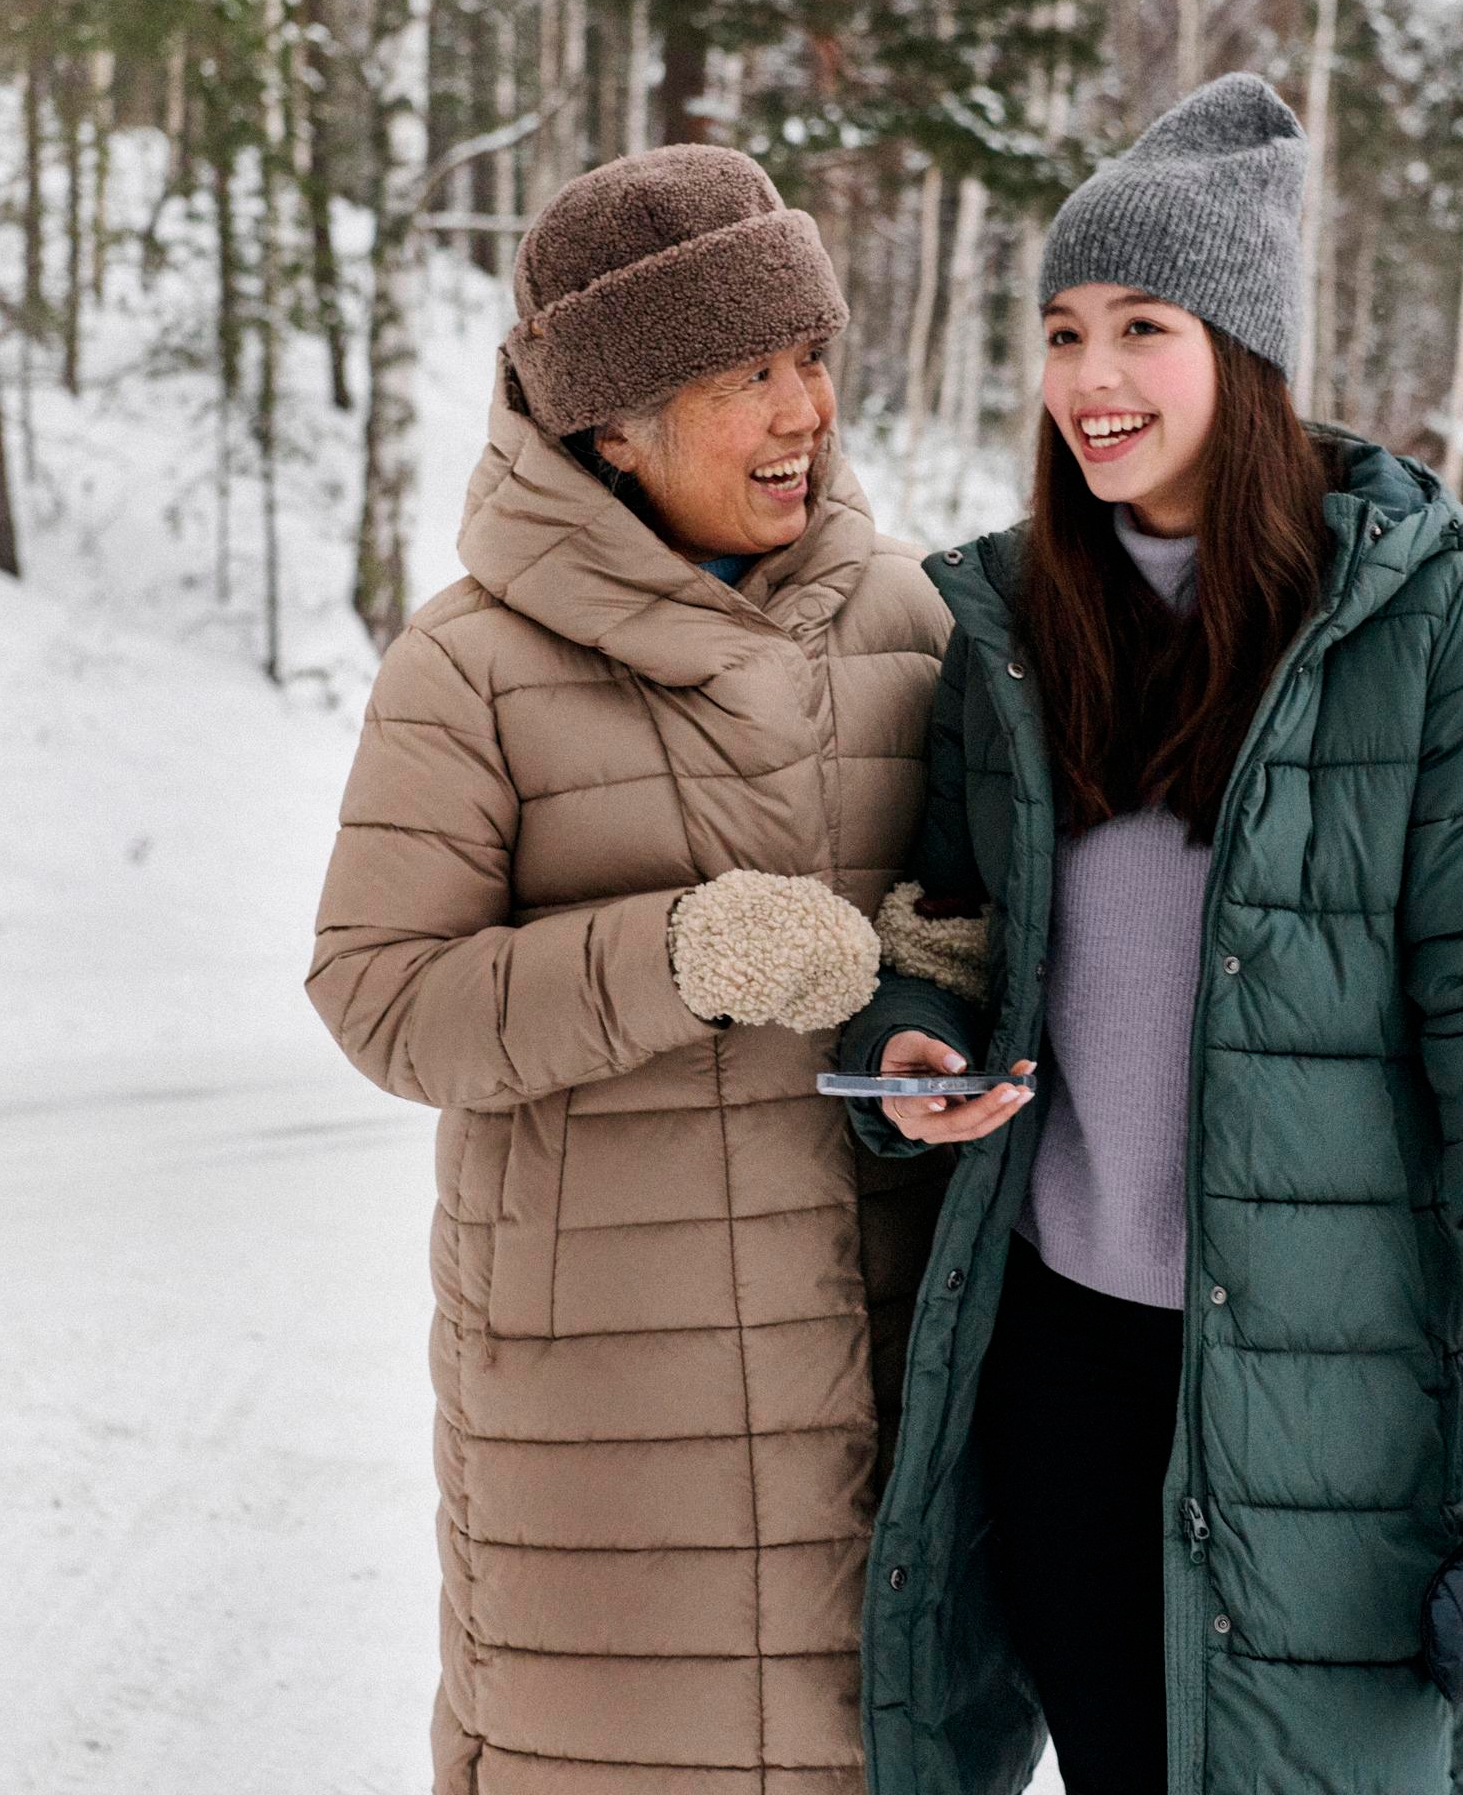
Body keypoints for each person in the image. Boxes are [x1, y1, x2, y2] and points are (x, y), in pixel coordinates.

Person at [836, 76, 1463, 1795]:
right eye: (1063, 331)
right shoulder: (1004, 628)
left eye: (1145, 325)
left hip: (1326, 1400)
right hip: (1059, 1385)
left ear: (1246, 351)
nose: (1090, 379)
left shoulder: (1423, 626)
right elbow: (948, 927)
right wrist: (918, 1033)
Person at [308, 144, 958, 1794]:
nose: (805, 409)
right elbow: (382, 996)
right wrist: (681, 953)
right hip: (607, 1419)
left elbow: (976, 915)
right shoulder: (470, 663)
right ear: (612, 420)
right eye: (749, 375)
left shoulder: (911, 621)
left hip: (875, 1379)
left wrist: (945, 973)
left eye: (811, 356)